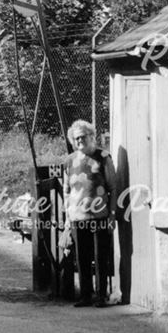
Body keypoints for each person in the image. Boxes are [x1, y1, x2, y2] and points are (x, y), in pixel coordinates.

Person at [62, 119, 117, 307]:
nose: (79, 141)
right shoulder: (69, 161)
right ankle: (85, 295)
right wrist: (68, 218)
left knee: (100, 256)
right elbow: (66, 191)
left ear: (91, 136)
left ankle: (101, 296)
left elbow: (113, 188)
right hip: (78, 216)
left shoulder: (103, 157)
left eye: (83, 137)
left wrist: (112, 214)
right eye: (76, 138)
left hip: (99, 216)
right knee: (82, 258)